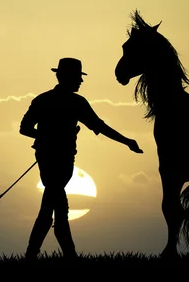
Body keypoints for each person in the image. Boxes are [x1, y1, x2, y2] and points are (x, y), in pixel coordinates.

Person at [19, 57, 143, 261]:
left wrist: (126, 141)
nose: (81, 81)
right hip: (53, 160)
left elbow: (99, 125)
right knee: (57, 208)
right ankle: (64, 256)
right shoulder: (61, 102)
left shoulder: (61, 101)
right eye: (78, 77)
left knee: (51, 207)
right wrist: (50, 137)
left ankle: (36, 255)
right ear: (65, 77)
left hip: (61, 160)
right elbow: (25, 128)